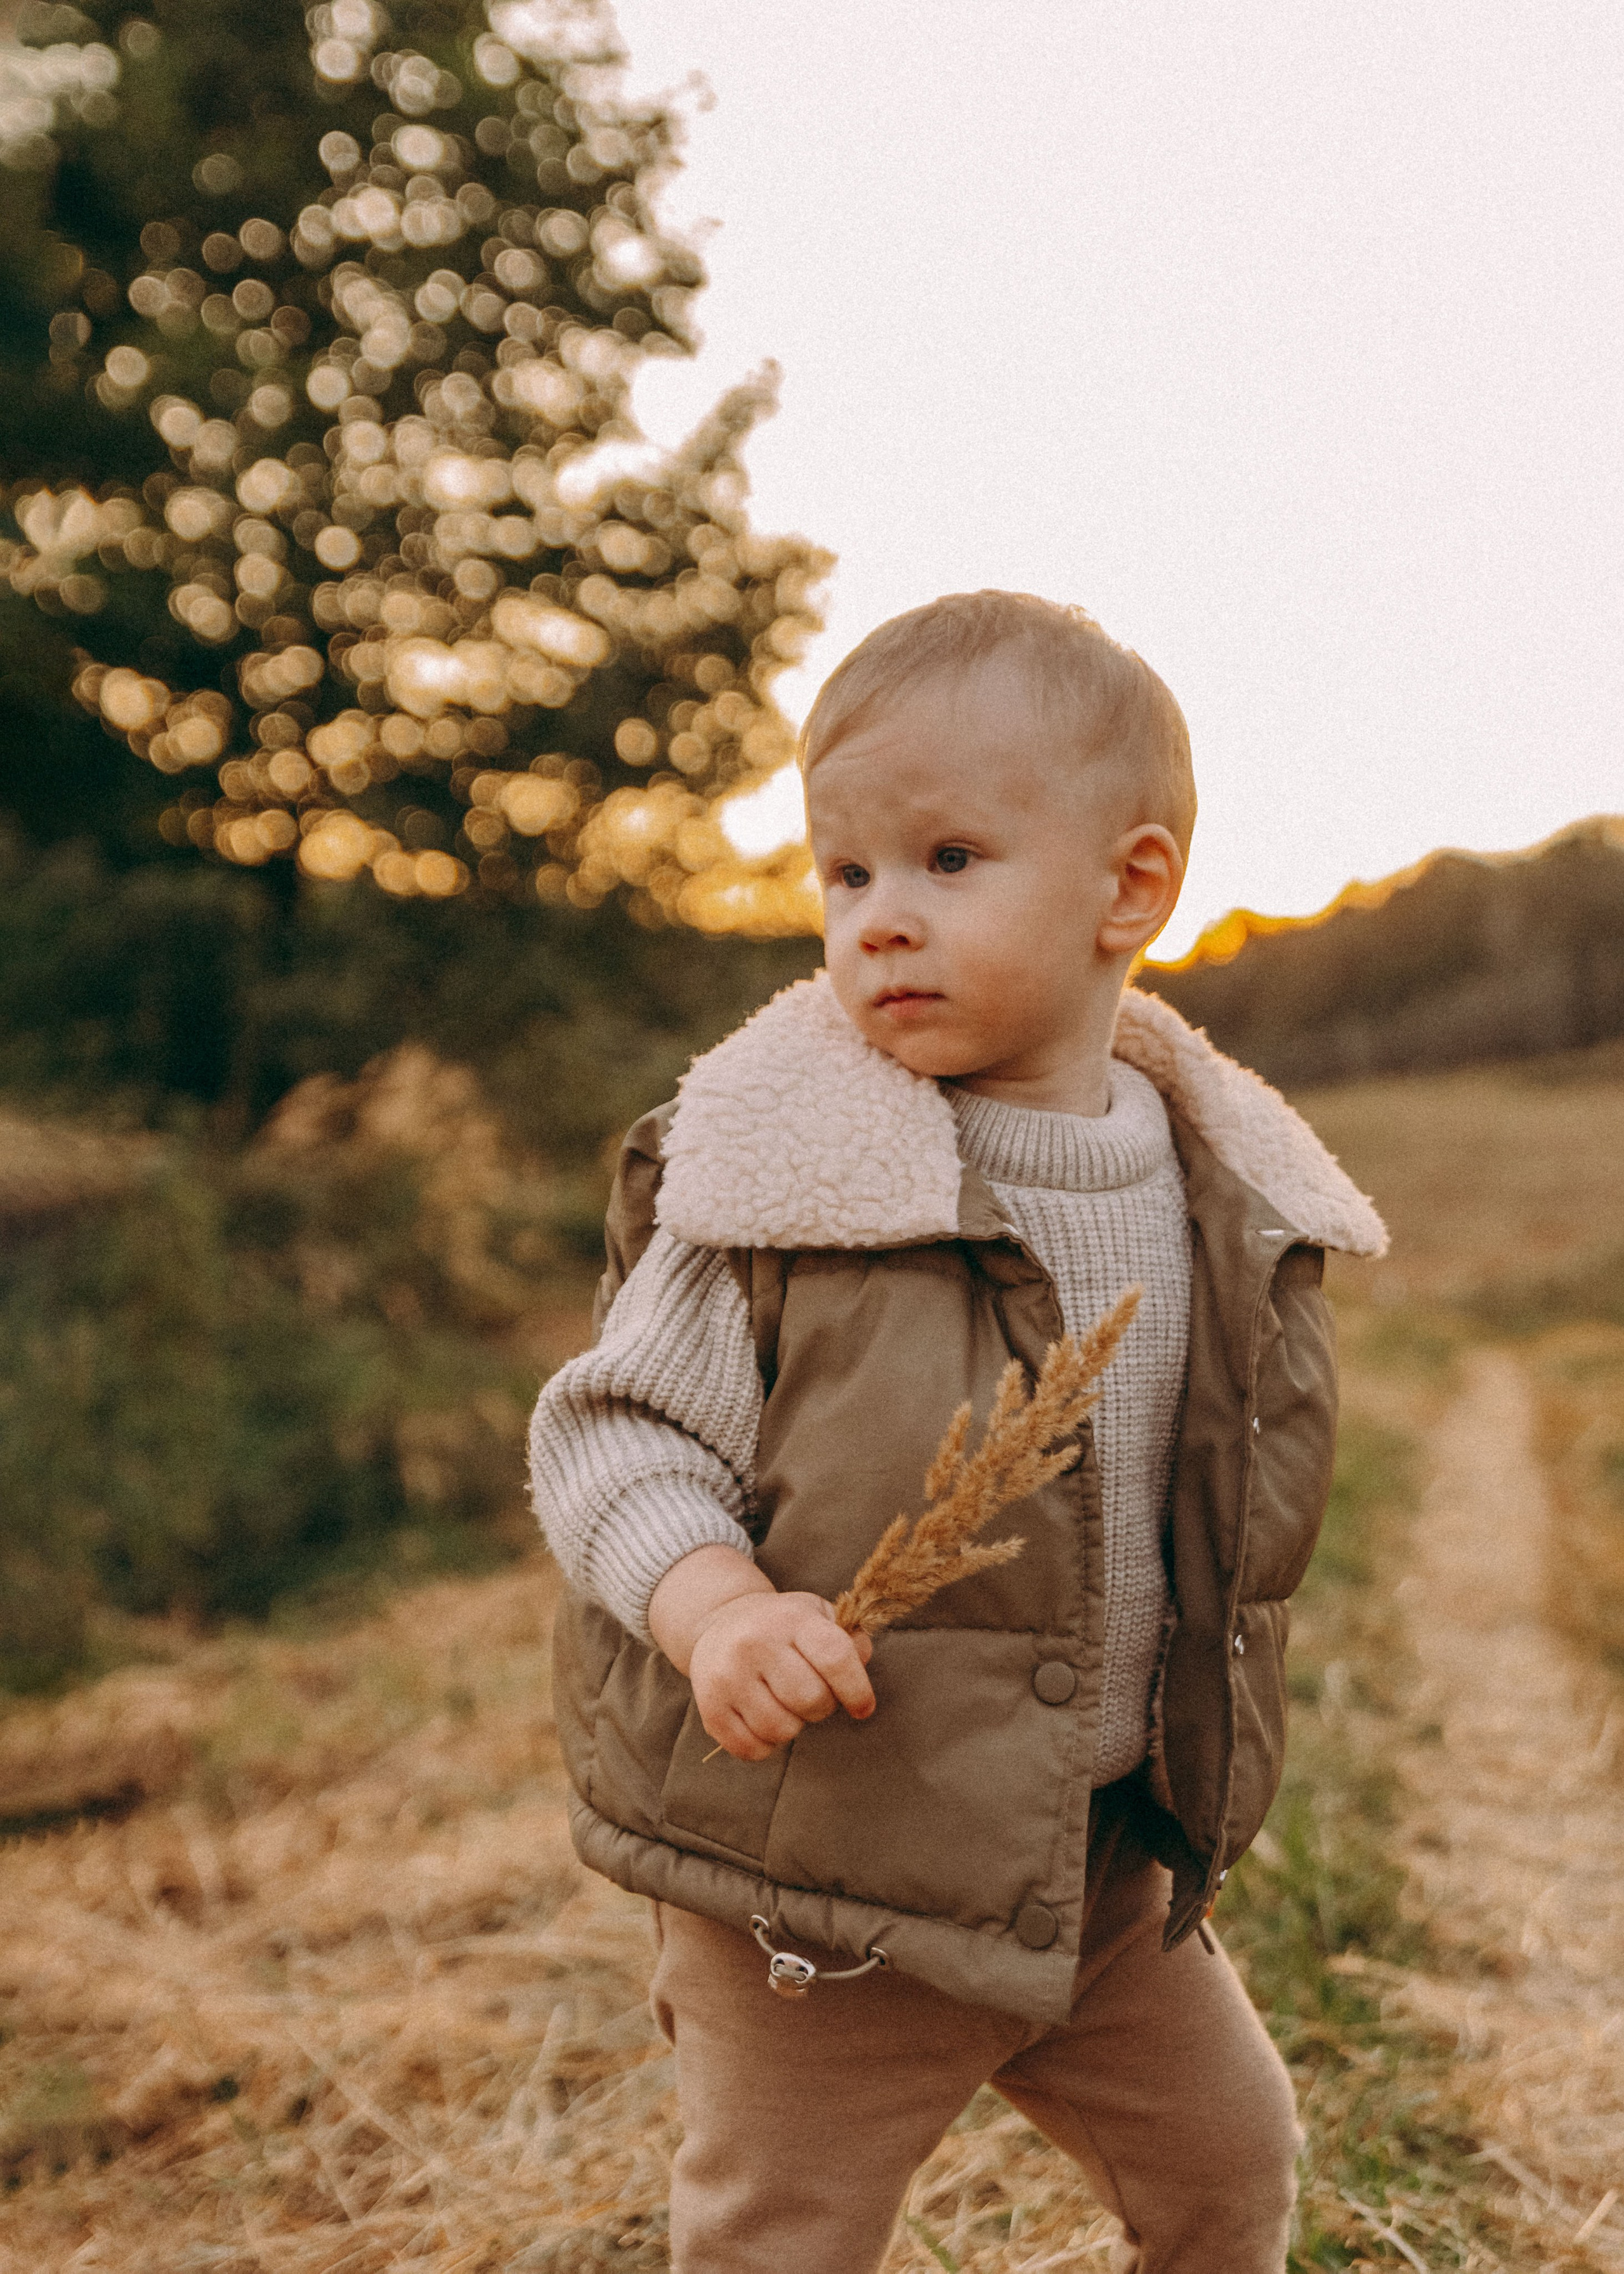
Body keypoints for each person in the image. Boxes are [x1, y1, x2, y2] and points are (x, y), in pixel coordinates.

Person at [530, 590, 1387, 2273]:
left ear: (1128, 891)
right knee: (785, 2230)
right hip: (820, 1881)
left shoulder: (1224, 1194)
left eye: (946, 862)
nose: (877, 923)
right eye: (843, 876)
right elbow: (611, 1434)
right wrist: (717, 1613)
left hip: (1098, 1874)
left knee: (1231, 2167)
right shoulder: (779, 1186)